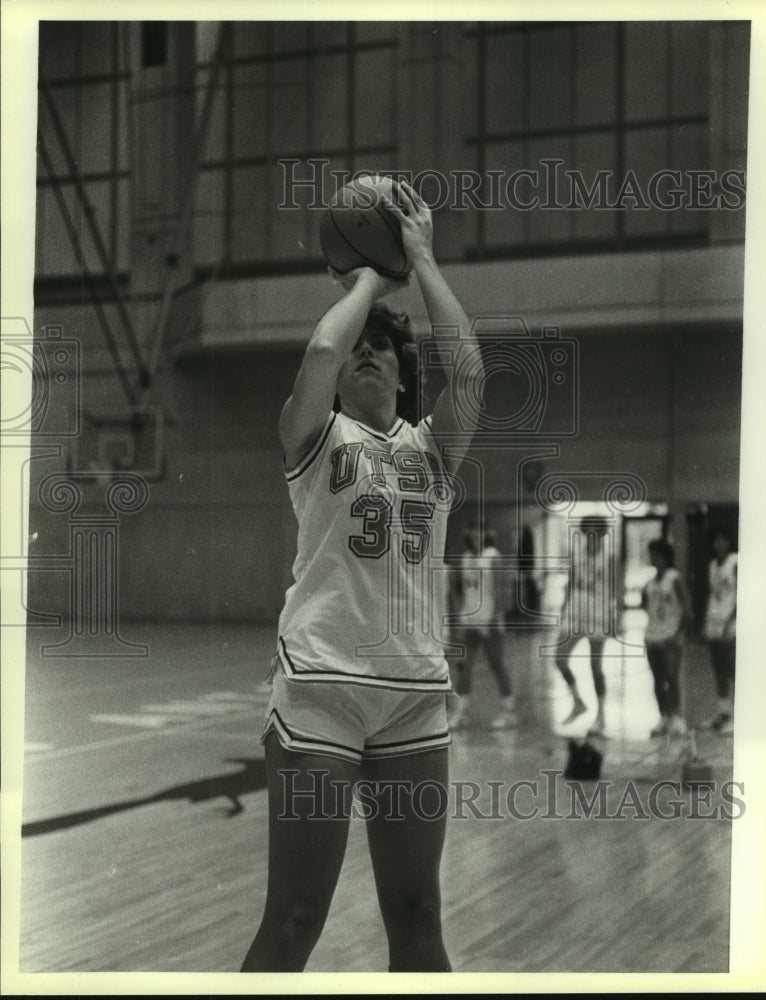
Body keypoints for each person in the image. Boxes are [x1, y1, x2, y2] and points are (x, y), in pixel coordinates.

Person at [240, 179, 483, 973]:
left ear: (403, 373)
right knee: (296, 918)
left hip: (412, 696)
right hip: (323, 687)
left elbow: (472, 375)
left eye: (384, 345)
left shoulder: (431, 451)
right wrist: (371, 279)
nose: (366, 351)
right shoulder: (312, 436)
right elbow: (319, 349)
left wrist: (421, 257)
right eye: (360, 346)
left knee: (419, 916)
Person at [448, 525, 515, 730]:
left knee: (497, 665)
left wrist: (494, 618)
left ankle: (509, 712)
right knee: (463, 667)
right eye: (473, 533)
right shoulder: (466, 557)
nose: (476, 537)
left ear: (487, 536)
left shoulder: (494, 557)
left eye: (480, 533)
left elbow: (503, 592)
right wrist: (459, 618)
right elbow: (462, 592)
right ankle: (461, 713)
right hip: (469, 619)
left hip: (489, 621)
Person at [554, 516, 617, 736]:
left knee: (595, 667)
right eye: (587, 532)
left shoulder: (609, 557)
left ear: (602, 534)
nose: (591, 536)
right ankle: (578, 702)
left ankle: (601, 717)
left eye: (595, 532)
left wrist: (613, 618)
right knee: (559, 658)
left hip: (598, 613)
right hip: (575, 610)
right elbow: (570, 584)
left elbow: (614, 590)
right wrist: (563, 611)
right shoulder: (576, 554)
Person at [642, 539, 693, 738]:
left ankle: (677, 718)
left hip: (671, 635)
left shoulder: (674, 578)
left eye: (657, 554)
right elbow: (645, 605)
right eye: (652, 554)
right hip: (653, 635)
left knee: (671, 676)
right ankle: (663, 717)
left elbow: (688, 609)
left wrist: (678, 633)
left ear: (665, 557)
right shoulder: (650, 582)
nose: (653, 558)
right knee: (657, 678)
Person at [701, 526, 738, 734]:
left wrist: (731, 621)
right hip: (713, 622)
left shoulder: (736, 561)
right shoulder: (713, 564)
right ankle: (723, 713)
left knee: (733, 669)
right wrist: (705, 624)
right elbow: (713, 595)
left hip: (730, 623)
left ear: (729, 541)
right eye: (716, 540)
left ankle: (737, 716)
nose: (720, 544)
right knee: (718, 669)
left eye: (723, 539)